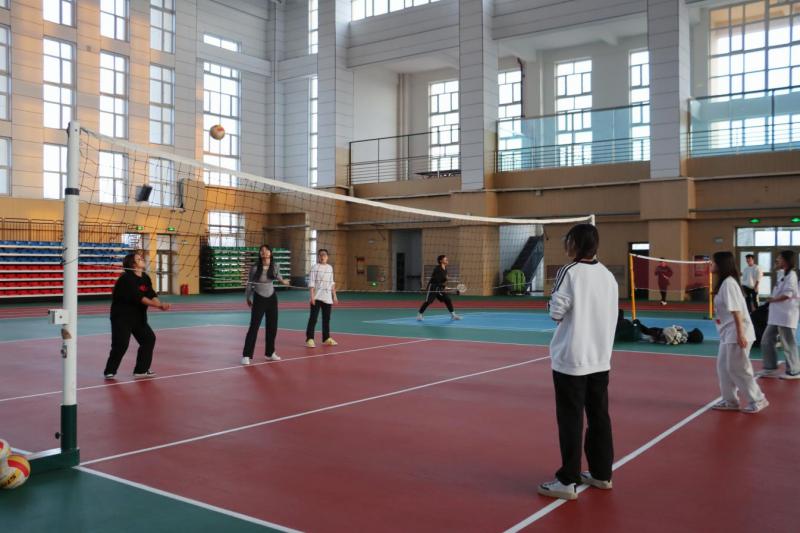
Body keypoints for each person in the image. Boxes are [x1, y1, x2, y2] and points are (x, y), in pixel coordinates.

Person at [538, 224, 618, 501]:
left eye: (568, 240)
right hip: (600, 360)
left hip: (572, 359)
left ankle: (567, 480)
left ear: (575, 243)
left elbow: (556, 313)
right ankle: (601, 474)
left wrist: (552, 307)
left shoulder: (569, 271)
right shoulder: (608, 275)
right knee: (599, 417)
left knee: (570, 419)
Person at [709, 251, 768, 413]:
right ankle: (730, 401)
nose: (711, 265)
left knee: (739, 368)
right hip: (728, 333)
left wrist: (740, 335)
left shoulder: (729, 284)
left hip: (737, 332)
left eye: (713, 262)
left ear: (721, 265)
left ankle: (758, 399)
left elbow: (737, 312)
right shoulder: (724, 283)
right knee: (723, 367)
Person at [103, 252, 170, 379]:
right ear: (133, 264)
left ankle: (141, 370)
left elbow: (151, 294)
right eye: (139, 259)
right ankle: (109, 371)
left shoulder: (145, 277)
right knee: (121, 344)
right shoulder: (126, 279)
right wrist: (159, 306)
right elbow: (140, 298)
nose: (142, 259)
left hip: (138, 317)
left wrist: (159, 304)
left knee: (148, 339)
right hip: (122, 317)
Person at [242, 244, 289, 365]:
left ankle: (270, 353)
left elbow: (279, 276)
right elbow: (249, 284)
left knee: (272, 326)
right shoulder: (254, 268)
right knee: (254, 327)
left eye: (266, 250)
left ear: (270, 253)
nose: (264, 252)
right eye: (261, 251)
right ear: (260, 254)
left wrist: (283, 281)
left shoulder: (275, 266)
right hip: (259, 298)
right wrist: (248, 297)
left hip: (272, 298)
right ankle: (246, 355)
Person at [758, 250, 800, 380]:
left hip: (786, 314)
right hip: (776, 315)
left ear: (786, 261)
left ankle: (794, 371)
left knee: (788, 343)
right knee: (766, 340)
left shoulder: (792, 275)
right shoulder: (782, 274)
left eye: (779, 258)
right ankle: (769, 367)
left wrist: (772, 300)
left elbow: (787, 295)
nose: (777, 260)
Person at [305, 248, 338, 348]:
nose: (323, 256)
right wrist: (312, 297)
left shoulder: (330, 268)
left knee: (326, 319)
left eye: (324, 255)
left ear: (327, 257)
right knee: (313, 318)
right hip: (317, 297)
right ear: (318, 257)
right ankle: (309, 339)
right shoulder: (315, 267)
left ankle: (326, 338)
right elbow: (311, 283)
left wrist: (334, 295)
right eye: (321, 255)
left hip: (327, 298)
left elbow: (332, 282)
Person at [417, 255, 461, 321]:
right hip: (433, 287)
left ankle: (453, 315)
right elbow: (436, 281)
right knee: (428, 302)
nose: (447, 260)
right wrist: (444, 286)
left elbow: (443, 280)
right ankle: (419, 315)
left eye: (447, 259)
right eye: (445, 259)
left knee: (447, 299)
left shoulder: (445, 269)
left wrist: (445, 281)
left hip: (439, 287)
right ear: (441, 261)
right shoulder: (437, 269)